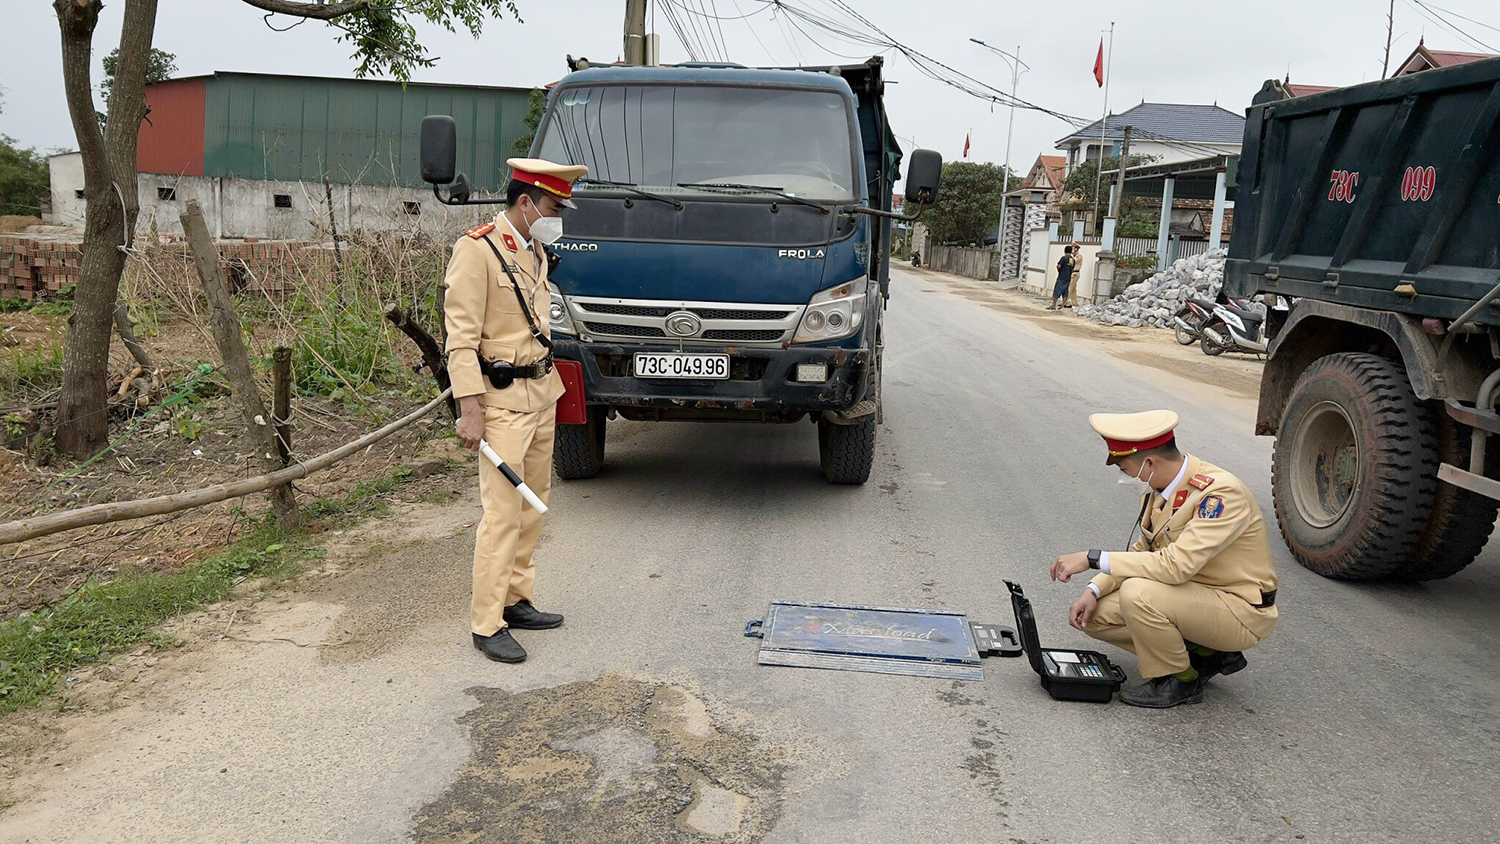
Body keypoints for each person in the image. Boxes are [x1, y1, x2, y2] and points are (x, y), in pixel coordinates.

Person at [443, 157, 587, 664]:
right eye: (552, 206)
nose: (558, 216)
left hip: (540, 393)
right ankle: (487, 623)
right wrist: (470, 407)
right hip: (499, 404)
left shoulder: (535, 249)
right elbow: (460, 340)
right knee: (502, 514)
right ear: (526, 203)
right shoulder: (477, 250)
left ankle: (516, 599)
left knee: (532, 505)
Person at [1048, 410, 1279, 708]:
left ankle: (1181, 679)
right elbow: (1142, 553)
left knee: (1138, 593)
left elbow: (1174, 566)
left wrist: (1092, 559)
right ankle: (1207, 653)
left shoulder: (1220, 494)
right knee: (1096, 616)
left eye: (1125, 469)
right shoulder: (1158, 490)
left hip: (1239, 609)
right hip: (1194, 597)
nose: (1125, 477)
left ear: (1149, 463)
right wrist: (1092, 589)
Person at [1050, 245, 1077, 310]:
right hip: (1068, 278)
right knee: (1065, 291)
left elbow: (1059, 266)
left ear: (1064, 251)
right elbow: (1072, 268)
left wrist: (1059, 271)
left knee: (1057, 291)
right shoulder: (1073, 260)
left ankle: (1054, 305)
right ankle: (1063, 305)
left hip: (1061, 277)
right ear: (1071, 251)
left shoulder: (1063, 258)